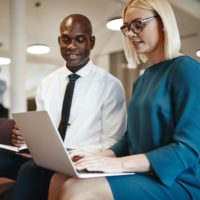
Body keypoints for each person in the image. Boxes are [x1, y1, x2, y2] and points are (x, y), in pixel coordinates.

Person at [48, 0, 200, 200]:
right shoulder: (141, 81)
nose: (131, 34)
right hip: (144, 172)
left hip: (178, 179)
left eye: (138, 25)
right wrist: (94, 158)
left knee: (78, 190)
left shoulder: (186, 70)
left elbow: (188, 149)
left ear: (163, 22)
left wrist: (119, 164)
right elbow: (130, 140)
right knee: (60, 178)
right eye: (127, 28)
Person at [0, 14, 127, 200]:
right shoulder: (47, 83)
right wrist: (25, 141)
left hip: (83, 162)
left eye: (80, 40)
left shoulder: (111, 86)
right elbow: (43, 134)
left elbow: (113, 143)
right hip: (45, 159)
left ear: (91, 42)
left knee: (30, 172)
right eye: (66, 40)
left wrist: (69, 154)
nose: (71, 46)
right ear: (59, 41)